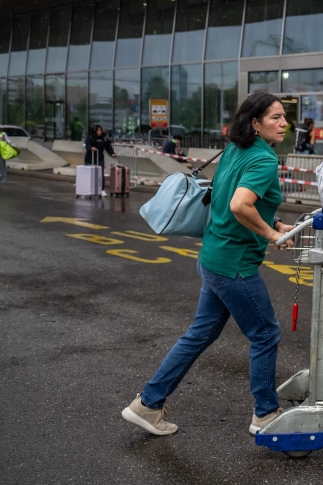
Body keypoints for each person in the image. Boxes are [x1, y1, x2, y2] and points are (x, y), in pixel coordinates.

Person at [121, 93, 296, 437]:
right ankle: (265, 414)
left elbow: (228, 192)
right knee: (265, 333)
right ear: (256, 124)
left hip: (214, 257)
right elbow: (239, 205)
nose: (284, 123)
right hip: (235, 265)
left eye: (284, 117)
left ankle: (147, 404)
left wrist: (273, 222)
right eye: (275, 117)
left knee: (200, 334)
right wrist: (270, 236)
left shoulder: (236, 148)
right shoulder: (264, 160)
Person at [84, 125, 116, 197]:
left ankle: (101, 190)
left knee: (100, 174)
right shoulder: (90, 137)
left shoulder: (104, 138)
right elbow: (87, 145)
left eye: (100, 130)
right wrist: (91, 148)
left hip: (99, 158)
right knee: (89, 174)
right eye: (98, 130)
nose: (99, 132)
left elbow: (108, 147)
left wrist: (112, 153)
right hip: (90, 158)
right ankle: (87, 189)